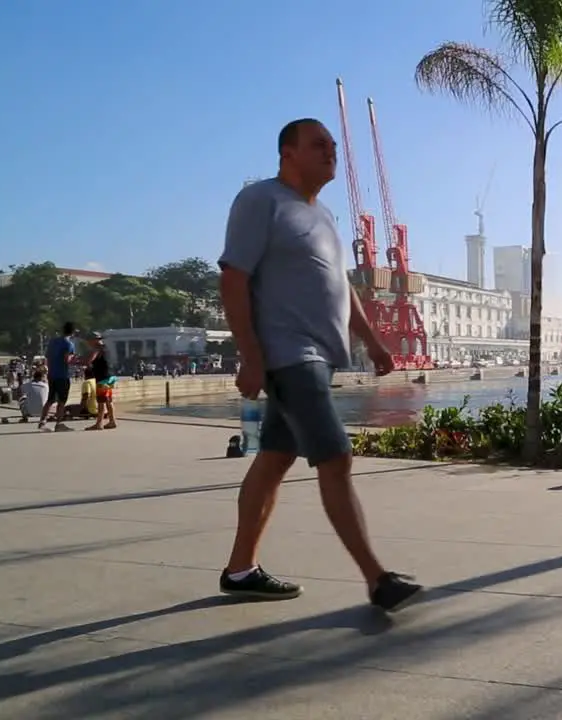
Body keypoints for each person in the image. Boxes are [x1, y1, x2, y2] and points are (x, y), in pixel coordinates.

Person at [217, 117, 420, 612]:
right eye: (319, 144)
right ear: (288, 153)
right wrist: (250, 356)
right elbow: (234, 278)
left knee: (274, 460)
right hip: (290, 356)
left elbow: (341, 286)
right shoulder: (259, 200)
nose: (331, 151)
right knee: (336, 456)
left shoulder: (324, 214)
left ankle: (240, 570)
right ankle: (377, 579)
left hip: (319, 357)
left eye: (332, 144)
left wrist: (372, 342)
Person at [39, 321, 78, 431]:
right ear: (73, 332)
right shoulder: (69, 344)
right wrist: (75, 359)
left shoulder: (53, 342)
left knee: (50, 399)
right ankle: (59, 423)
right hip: (63, 375)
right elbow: (67, 360)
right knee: (62, 400)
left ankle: (42, 421)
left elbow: (48, 357)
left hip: (52, 374)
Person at [85, 332, 118, 430]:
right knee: (108, 400)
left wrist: (86, 363)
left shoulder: (97, 349)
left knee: (101, 401)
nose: (88, 343)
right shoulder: (106, 348)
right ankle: (112, 421)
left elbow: (89, 360)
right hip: (110, 376)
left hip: (102, 378)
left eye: (89, 341)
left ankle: (99, 423)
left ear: (94, 340)